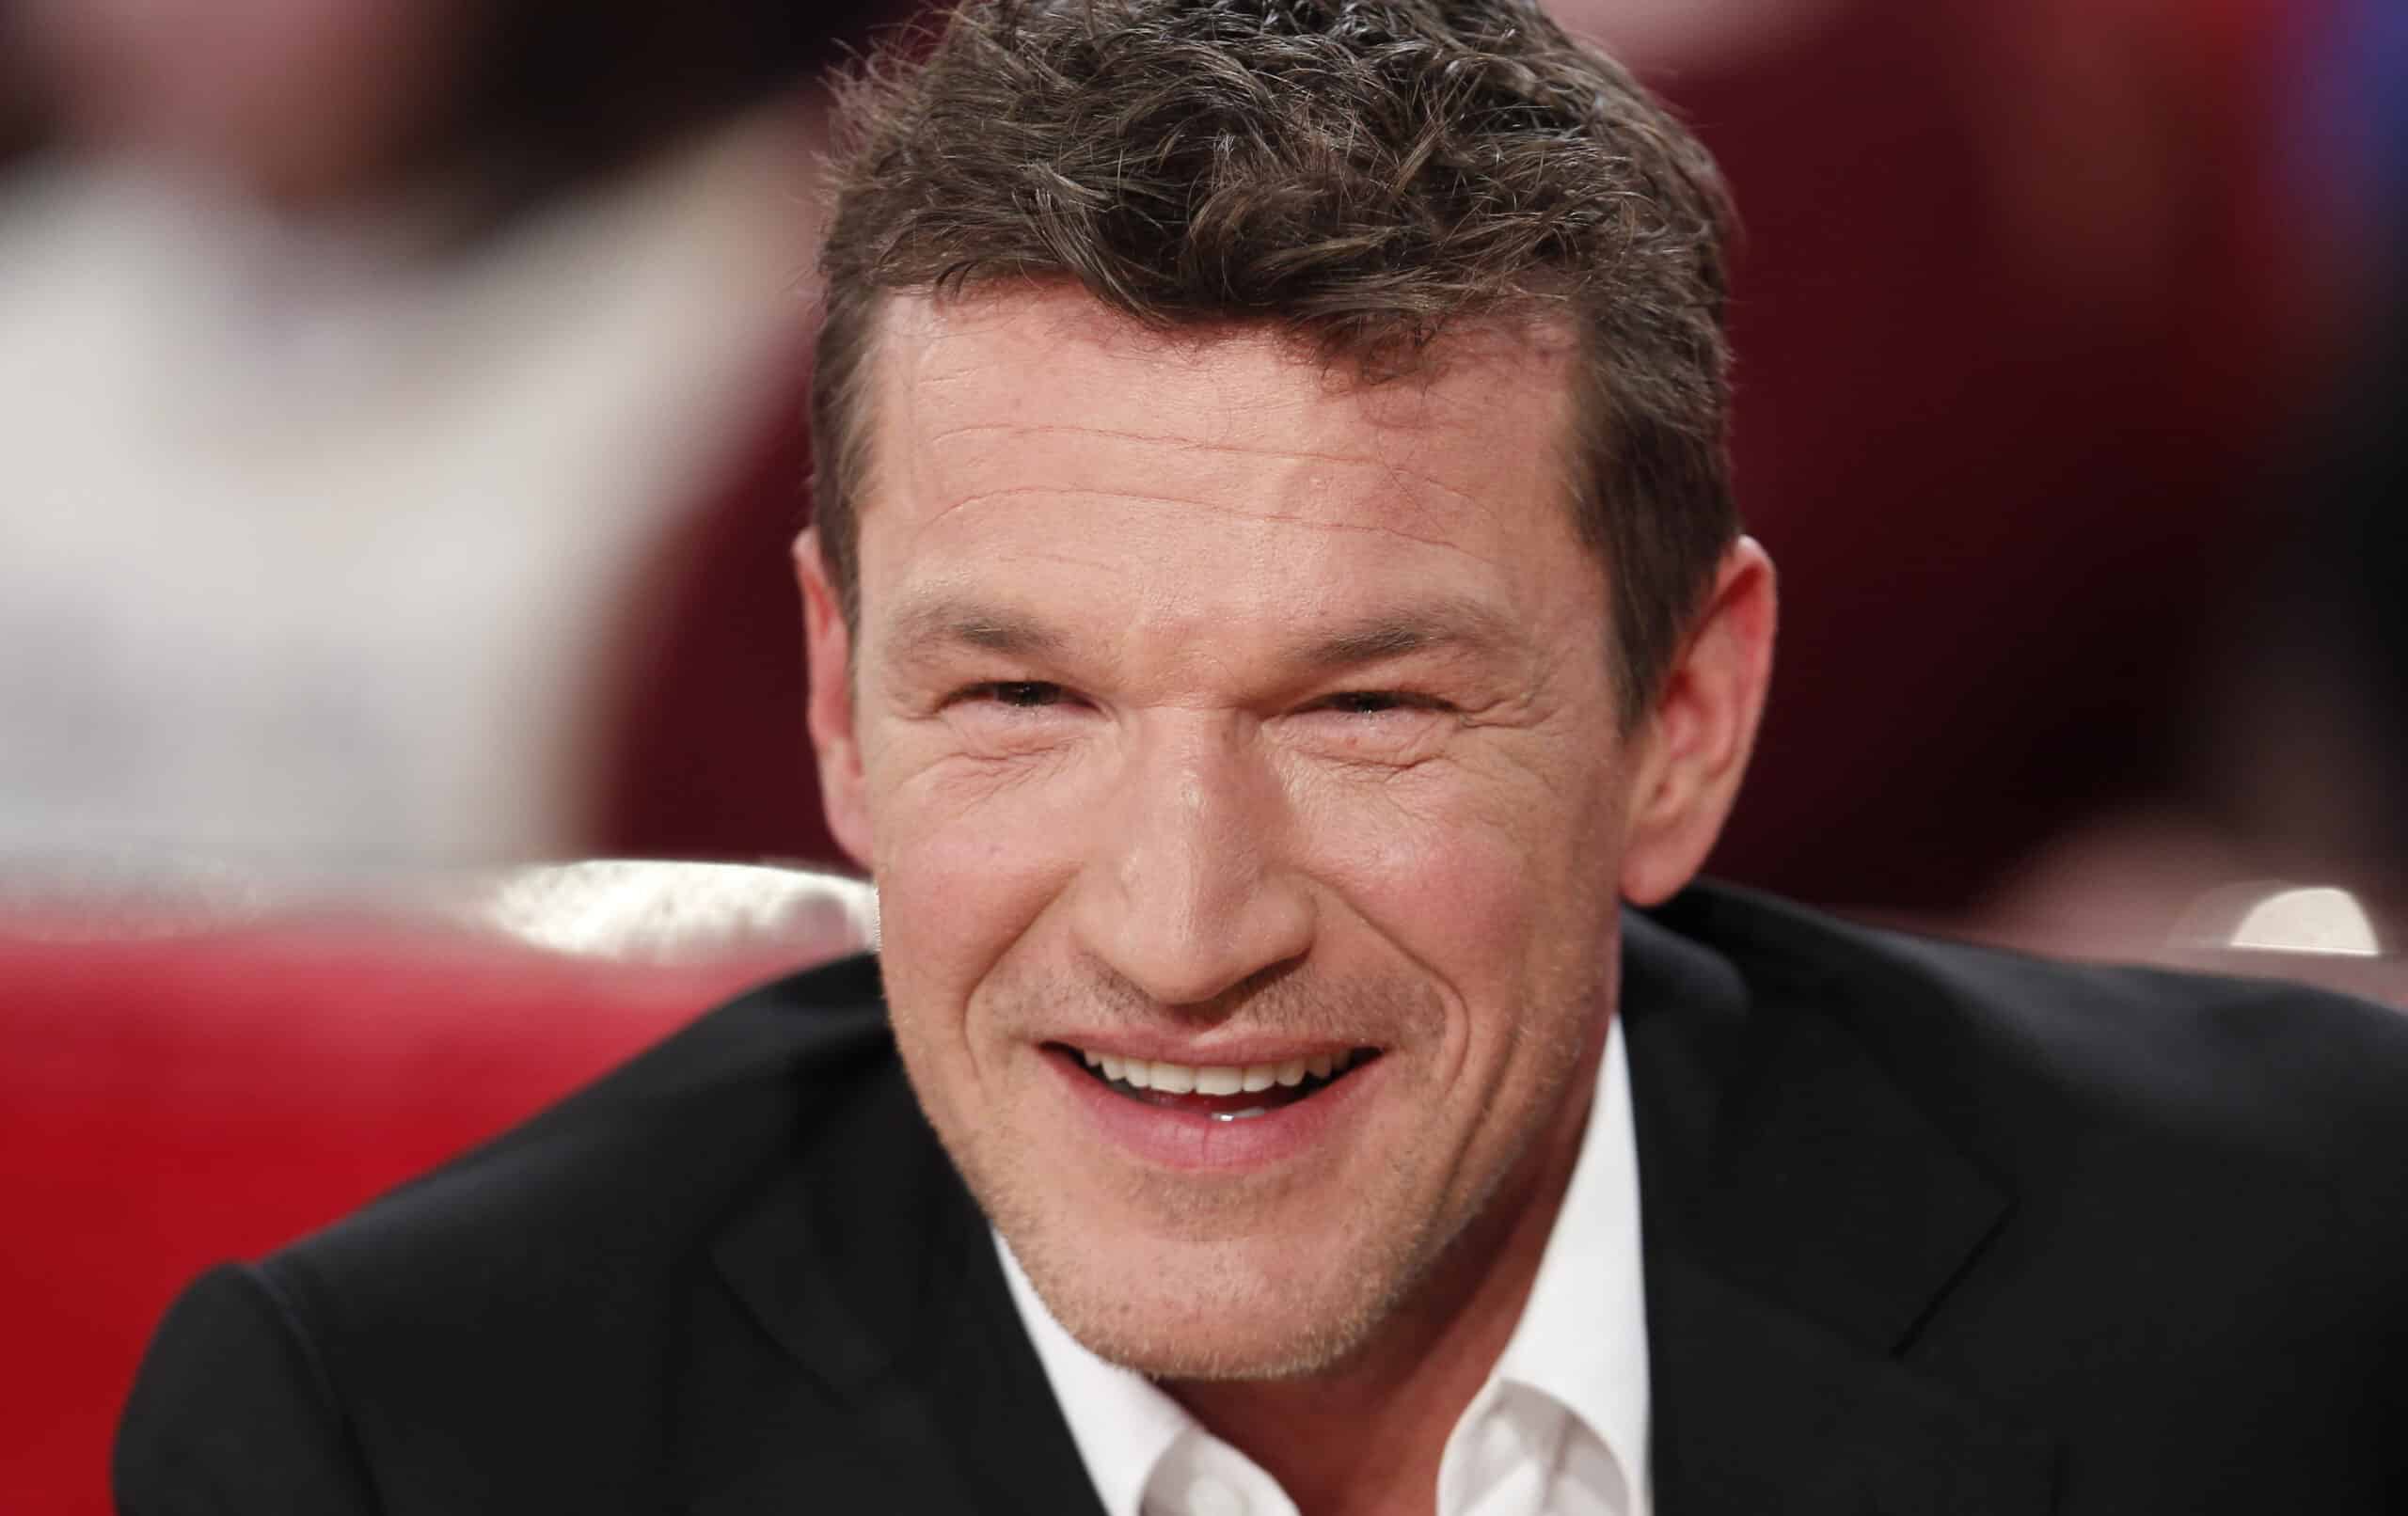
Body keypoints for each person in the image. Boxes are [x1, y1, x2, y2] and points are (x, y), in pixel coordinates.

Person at [116, 1, 2408, 1511]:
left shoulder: (2298, 1275)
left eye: (1362, 708)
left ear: (1680, 720)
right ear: (836, 699)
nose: (1181, 927)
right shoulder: (405, 1442)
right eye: (1020, 701)